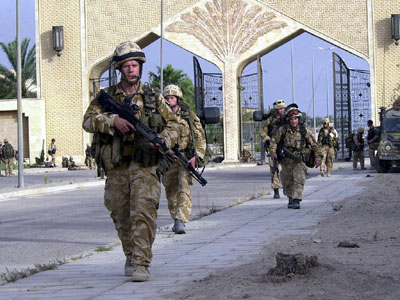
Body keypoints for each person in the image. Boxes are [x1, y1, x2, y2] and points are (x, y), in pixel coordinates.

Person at [82, 41, 179, 282]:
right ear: (119, 69)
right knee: (120, 214)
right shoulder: (106, 98)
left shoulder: (153, 97)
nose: (131, 70)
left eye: (135, 65)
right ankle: (131, 254)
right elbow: (88, 121)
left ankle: (141, 262)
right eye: (126, 66)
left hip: (145, 166)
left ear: (140, 67)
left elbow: (176, 124)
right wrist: (112, 121)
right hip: (116, 167)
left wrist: (164, 139)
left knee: (144, 212)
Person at [161, 84, 206, 234]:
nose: (169, 100)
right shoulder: (160, 117)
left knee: (183, 187)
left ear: (178, 99)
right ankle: (176, 218)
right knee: (171, 190)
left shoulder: (188, 116)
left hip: (185, 158)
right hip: (167, 159)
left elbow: (199, 137)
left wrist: (197, 156)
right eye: (166, 98)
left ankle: (181, 219)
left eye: (172, 98)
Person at [269, 105, 321, 209]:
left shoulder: (304, 131)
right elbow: (274, 141)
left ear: (299, 119)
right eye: (292, 119)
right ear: (289, 120)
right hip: (285, 160)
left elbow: (314, 144)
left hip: (298, 160)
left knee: (299, 179)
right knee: (287, 181)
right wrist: (273, 152)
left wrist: (318, 157)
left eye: (296, 119)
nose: (294, 121)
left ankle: (297, 199)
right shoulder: (282, 130)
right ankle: (290, 198)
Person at [260, 99, 286, 199]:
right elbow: (263, 132)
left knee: (286, 168)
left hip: (284, 147)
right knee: (274, 168)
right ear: (276, 110)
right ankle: (276, 190)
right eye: (280, 109)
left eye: (283, 108)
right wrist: (267, 138)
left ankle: (286, 186)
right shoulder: (270, 120)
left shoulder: (286, 119)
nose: (282, 110)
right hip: (272, 147)